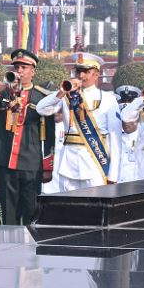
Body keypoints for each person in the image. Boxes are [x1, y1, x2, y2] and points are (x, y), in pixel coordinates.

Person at [0, 49, 54, 225]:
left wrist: (47, 165)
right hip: (6, 161)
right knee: (8, 212)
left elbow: (49, 134)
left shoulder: (42, 97)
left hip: (30, 161)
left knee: (30, 211)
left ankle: (30, 249)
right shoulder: (4, 93)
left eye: (24, 67)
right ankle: (8, 250)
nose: (19, 71)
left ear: (33, 71)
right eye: (16, 67)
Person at [37, 53, 117, 190]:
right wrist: (62, 91)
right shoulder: (66, 96)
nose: (81, 76)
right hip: (68, 165)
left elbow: (116, 139)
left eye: (86, 72)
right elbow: (42, 109)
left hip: (95, 164)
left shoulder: (107, 99)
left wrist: (113, 175)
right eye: (79, 71)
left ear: (96, 74)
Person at [108, 85, 141, 184]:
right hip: (118, 183)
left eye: (130, 121)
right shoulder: (113, 137)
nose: (127, 125)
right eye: (124, 121)